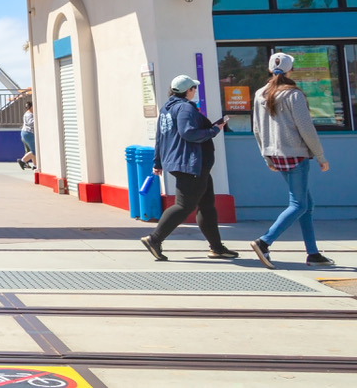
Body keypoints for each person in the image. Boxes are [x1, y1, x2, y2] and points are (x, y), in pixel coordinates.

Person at [249, 52, 335, 269]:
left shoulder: (260, 93)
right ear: (291, 70)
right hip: (295, 154)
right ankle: (264, 241)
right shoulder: (293, 94)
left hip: (276, 155)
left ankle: (313, 253)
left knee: (307, 204)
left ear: (270, 69)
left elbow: (257, 129)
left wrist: (265, 155)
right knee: (298, 204)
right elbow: (306, 129)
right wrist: (321, 156)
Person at [140, 75, 238, 262]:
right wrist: (214, 130)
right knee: (184, 205)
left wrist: (158, 162)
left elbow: (160, 137)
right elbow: (189, 133)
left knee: (207, 206)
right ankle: (154, 239)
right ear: (188, 90)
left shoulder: (167, 108)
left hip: (191, 164)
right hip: (190, 164)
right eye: (194, 88)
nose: (195, 91)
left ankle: (217, 248)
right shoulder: (185, 108)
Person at [18, 102, 35, 170]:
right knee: (35, 151)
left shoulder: (26, 114)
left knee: (33, 150)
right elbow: (31, 123)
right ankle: (23, 161)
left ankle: (35, 165)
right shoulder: (30, 114)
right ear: (31, 107)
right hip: (29, 133)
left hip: (25, 133)